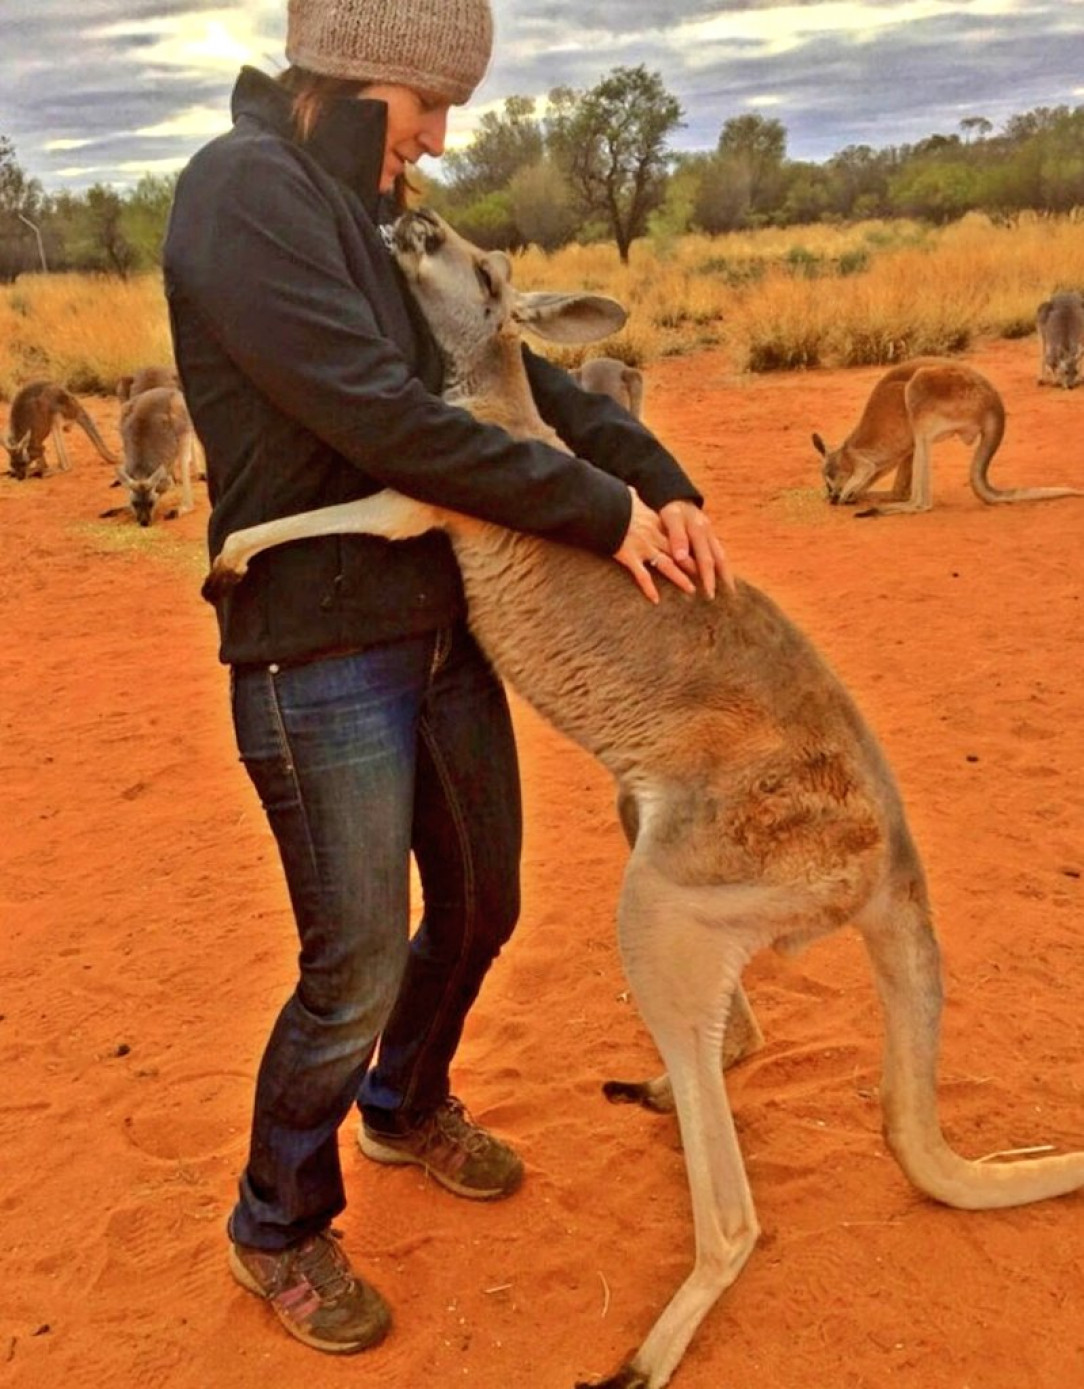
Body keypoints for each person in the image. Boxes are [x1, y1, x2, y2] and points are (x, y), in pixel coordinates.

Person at [163, 0, 731, 1358]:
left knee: (482, 901)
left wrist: (661, 476)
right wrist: (598, 516)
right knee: (352, 960)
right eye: (430, 109)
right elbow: (382, 415)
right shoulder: (243, 198)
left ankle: (406, 1102)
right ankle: (278, 1222)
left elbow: (503, 372)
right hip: (316, 645)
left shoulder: (364, 218)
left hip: (438, 627)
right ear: (367, 79)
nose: (433, 142)